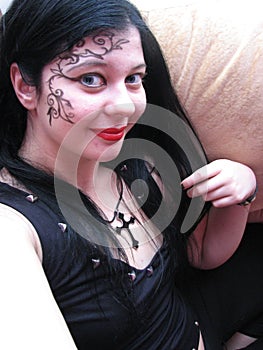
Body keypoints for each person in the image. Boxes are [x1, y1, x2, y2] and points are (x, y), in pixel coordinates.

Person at [0, 0, 261, 349]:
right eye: (91, 79)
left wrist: (240, 192)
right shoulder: (13, 228)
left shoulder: (135, 165)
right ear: (25, 86)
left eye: (133, 78)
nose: (125, 104)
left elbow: (200, 253)